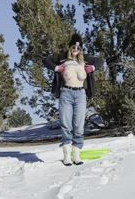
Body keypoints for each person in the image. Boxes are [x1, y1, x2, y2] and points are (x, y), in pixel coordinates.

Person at [42, 33, 103, 166]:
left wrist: (92, 67)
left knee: (79, 126)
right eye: (73, 46)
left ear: (81, 48)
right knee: (66, 124)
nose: (75, 49)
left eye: (78, 47)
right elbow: (46, 60)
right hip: (66, 93)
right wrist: (56, 68)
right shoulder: (62, 58)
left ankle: (76, 155)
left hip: (80, 94)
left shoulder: (85, 59)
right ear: (70, 47)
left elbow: (100, 61)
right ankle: (66, 156)